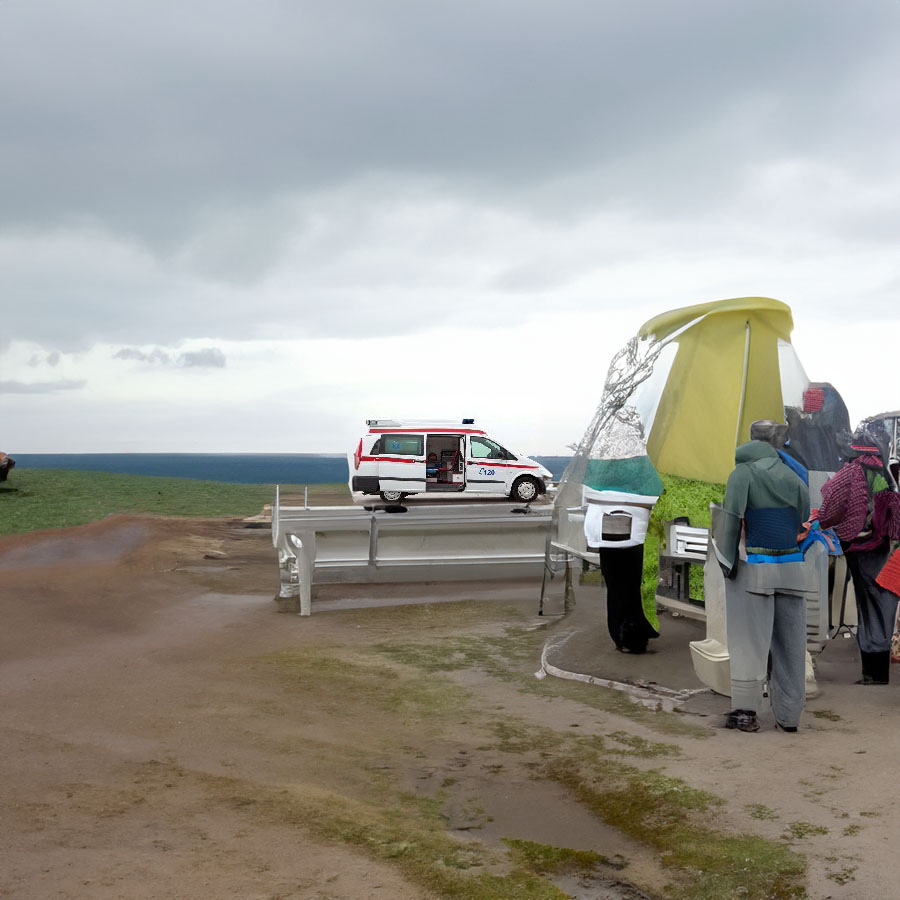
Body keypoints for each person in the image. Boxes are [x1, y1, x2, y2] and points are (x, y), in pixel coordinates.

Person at [713, 420, 811, 733]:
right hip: (792, 568)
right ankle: (789, 717)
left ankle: (745, 713)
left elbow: (730, 521)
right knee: (791, 646)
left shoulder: (742, 473)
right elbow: (803, 520)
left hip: (754, 568)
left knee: (748, 641)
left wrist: (727, 564)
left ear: (752, 439)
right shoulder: (794, 476)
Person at [816, 425, 900, 685]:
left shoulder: (850, 472)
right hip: (881, 547)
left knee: (867, 605)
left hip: (858, 548)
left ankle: (872, 673)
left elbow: (828, 508)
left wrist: (833, 524)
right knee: (882, 603)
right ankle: (877, 670)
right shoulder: (886, 473)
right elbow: (896, 513)